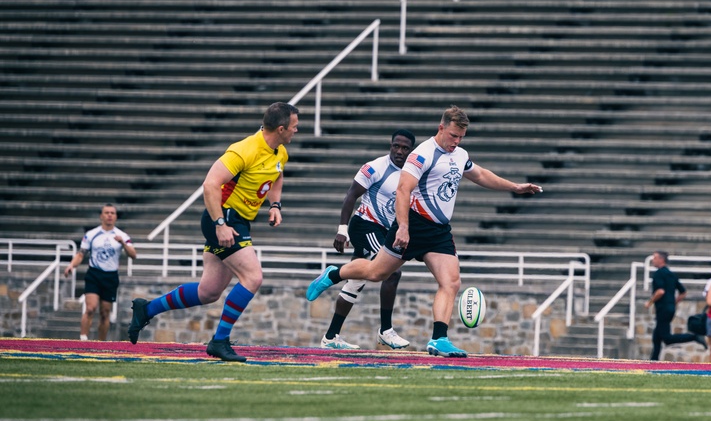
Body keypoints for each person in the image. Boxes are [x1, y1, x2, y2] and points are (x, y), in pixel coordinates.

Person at [304, 105, 542, 358]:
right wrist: (403, 227)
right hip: (414, 224)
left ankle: (439, 339)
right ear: (441, 128)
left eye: (461, 137)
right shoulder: (422, 154)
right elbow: (403, 190)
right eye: (452, 136)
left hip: (438, 231)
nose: (456, 141)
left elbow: (481, 175)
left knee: (450, 282)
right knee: (376, 272)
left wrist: (514, 187)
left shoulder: (460, 154)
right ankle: (335, 273)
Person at [127, 102, 300, 362]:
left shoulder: (280, 152)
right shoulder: (244, 150)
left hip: (238, 220)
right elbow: (209, 185)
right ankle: (219, 341)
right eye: (294, 127)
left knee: (208, 291)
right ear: (280, 128)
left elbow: (277, 175)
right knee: (253, 278)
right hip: (224, 218)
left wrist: (274, 205)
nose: (296, 131)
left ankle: (146, 308)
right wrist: (220, 224)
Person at [318, 129, 417, 350]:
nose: (399, 151)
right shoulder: (375, 167)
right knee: (392, 272)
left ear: (411, 151)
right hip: (365, 225)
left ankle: (331, 337)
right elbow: (351, 195)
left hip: (385, 231)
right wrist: (342, 230)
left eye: (404, 148)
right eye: (396, 146)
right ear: (390, 145)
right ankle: (386, 331)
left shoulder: (413, 174)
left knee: (356, 282)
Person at [62, 204, 138, 341]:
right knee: (90, 308)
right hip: (94, 274)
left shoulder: (122, 235)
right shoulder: (91, 234)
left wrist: (123, 244)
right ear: (101, 216)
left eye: (112, 213)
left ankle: (100, 344)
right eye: (107, 213)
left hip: (110, 276)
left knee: (105, 313)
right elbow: (81, 254)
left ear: (115, 216)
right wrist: (71, 266)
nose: (109, 215)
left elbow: (133, 255)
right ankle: (83, 339)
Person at [643, 250, 706, 361]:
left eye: (655, 257)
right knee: (656, 336)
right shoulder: (671, 274)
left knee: (666, 338)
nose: (653, 260)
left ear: (661, 259)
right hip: (670, 308)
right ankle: (653, 360)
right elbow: (683, 292)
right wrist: (674, 302)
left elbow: (660, 292)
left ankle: (693, 336)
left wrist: (650, 302)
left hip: (663, 309)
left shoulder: (659, 273)